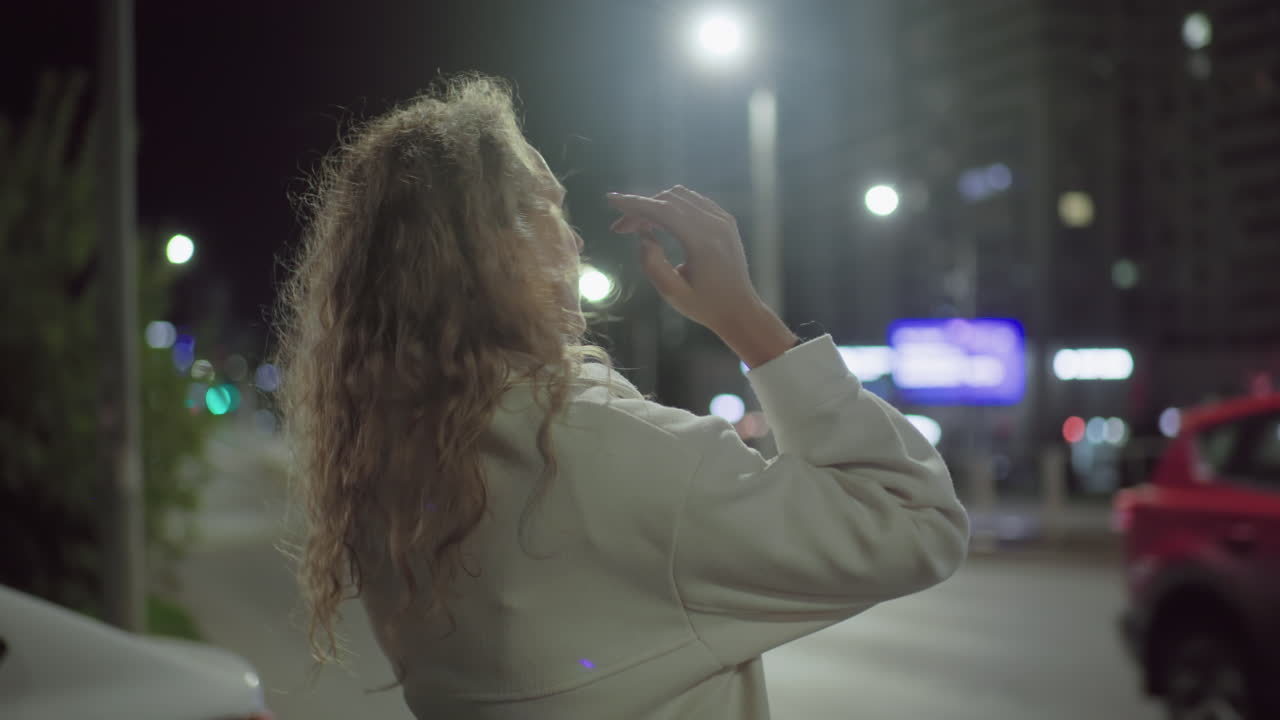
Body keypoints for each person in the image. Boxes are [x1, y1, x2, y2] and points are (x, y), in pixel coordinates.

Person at [275, 73, 969, 720]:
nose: (574, 237)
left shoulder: (393, 461)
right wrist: (744, 316)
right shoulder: (604, 455)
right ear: (484, 249)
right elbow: (917, 519)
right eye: (543, 205)